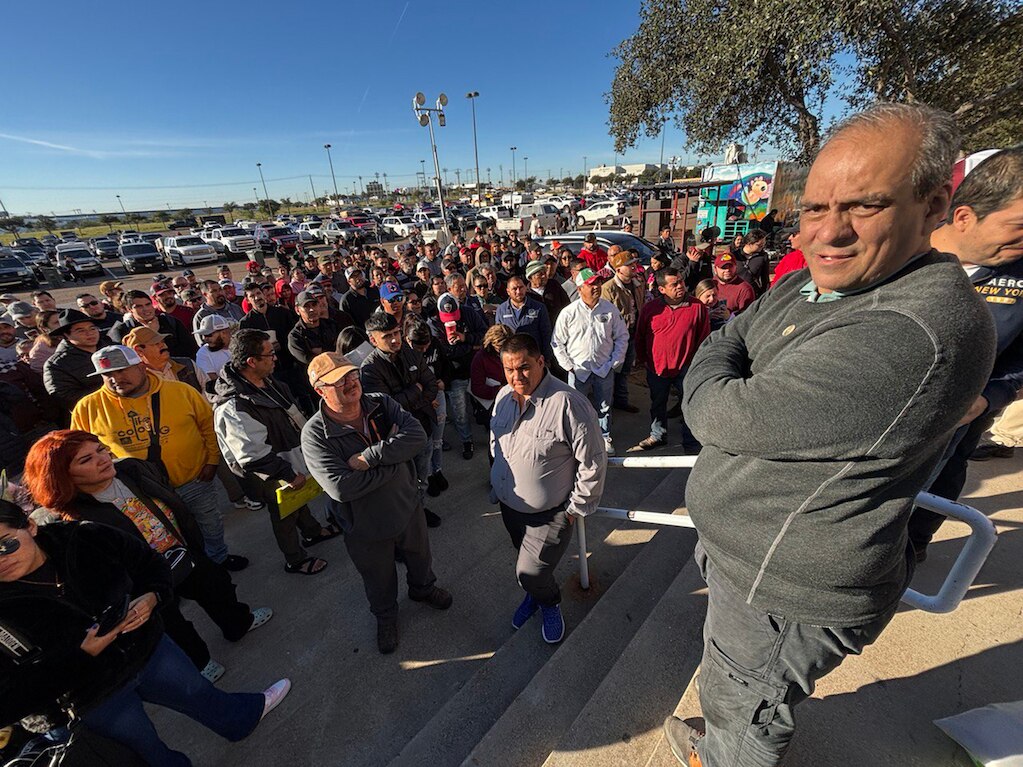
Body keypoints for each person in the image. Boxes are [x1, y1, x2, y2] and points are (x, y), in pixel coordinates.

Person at [661, 103, 996, 767]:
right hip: (749, 564)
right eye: (814, 208)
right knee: (734, 689)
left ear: (933, 205)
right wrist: (727, 366)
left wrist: (724, 378)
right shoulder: (825, 282)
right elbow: (729, 337)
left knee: (748, 710)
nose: (827, 232)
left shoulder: (911, 329)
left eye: (863, 206)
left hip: (782, 591)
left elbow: (714, 411)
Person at [0, 499, 290, 767]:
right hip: (88, 697)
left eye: (6, 545)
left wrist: (153, 596)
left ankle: (242, 717)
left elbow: (149, 563)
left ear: (31, 526)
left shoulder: (83, 537)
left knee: (198, 691)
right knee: (146, 753)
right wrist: (79, 657)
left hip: (145, 648)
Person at [22, 430, 272, 682]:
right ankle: (200, 663)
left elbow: (171, 501)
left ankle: (239, 623)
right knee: (173, 624)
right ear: (60, 476)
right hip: (144, 583)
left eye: (99, 449)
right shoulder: (70, 518)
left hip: (183, 553)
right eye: (85, 460)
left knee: (217, 588)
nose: (102, 459)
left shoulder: (133, 469)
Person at [907, 146, 1023, 558]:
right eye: (1020, 225)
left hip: (958, 421)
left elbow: (1019, 361)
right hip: (871, 419)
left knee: (940, 482)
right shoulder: (895, 254)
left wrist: (989, 398)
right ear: (963, 216)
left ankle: (914, 545)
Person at [301, 352, 453, 654]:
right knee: (378, 577)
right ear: (320, 390)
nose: (350, 382)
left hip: (407, 506)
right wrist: (395, 459)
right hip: (364, 525)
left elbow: (418, 436)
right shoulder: (315, 435)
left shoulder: (381, 404)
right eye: (338, 381)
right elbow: (341, 487)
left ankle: (422, 590)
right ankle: (386, 617)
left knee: (420, 558)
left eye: (351, 374)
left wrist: (369, 458)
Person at [70, 346, 247, 572]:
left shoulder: (181, 391)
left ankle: (218, 560)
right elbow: (78, 450)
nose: (115, 379)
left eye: (122, 370)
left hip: (193, 480)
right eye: (107, 375)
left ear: (142, 367)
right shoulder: (87, 408)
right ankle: (181, 570)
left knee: (210, 523)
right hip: (141, 492)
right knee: (161, 535)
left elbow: (209, 427)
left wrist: (212, 461)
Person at [490, 333, 607, 644]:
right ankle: (537, 595)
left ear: (541, 361)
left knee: (532, 572)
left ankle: (550, 602)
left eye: (525, 367)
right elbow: (496, 444)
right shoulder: (503, 397)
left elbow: (593, 461)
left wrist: (574, 510)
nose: (517, 377)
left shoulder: (568, 403)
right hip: (510, 507)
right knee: (526, 565)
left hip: (551, 515)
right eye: (509, 369)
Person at [211, 329, 338, 575]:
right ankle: (295, 559)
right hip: (270, 472)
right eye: (269, 354)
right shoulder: (235, 406)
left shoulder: (267, 383)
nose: (275, 358)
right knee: (284, 513)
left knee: (297, 501)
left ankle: (312, 532)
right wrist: (288, 475)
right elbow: (253, 457)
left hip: (289, 460)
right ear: (251, 362)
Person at [360, 311, 443, 527]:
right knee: (399, 484)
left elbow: (431, 385)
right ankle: (404, 521)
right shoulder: (369, 369)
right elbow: (385, 407)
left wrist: (411, 398)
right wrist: (416, 391)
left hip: (422, 428)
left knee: (421, 478)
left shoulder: (412, 353)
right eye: (387, 336)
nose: (395, 339)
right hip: (394, 437)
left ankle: (419, 511)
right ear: (373, 339)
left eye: (396, 332)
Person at [631, 268, 710, 453]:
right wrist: (645, 361)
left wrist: (695, 364)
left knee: (689, 404)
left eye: (681, 281)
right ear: (662, 289)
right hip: (657, 368)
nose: (680, 286)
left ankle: (691, 442)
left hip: (686, 368)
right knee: (658, 403)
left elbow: (703, 338)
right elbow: (640, 336)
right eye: (674, 284)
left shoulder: (697, 307)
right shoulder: (651, 309)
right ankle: (658, 435)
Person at [552, 268, 628, 455]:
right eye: (591, 284)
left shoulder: (609, 309)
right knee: (576, 408)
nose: (596, 287)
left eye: (598, 283)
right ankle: (577, 439)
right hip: (579, 371)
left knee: (604, 406)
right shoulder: (568, 313)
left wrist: (614, 362)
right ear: (579, 289)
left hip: (604, 369)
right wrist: (569, 366)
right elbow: (557, 342)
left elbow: (622, 337)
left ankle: (604, 437)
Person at [428, 279, 489, 460]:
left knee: (486, 404)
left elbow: (485, 335)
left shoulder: (469, 313)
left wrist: (465, 338)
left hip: (476, 369)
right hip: (454, 375)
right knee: (460, 412)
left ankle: (492, 431)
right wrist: (471, 347)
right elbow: (444, 351)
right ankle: (466, 441)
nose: (451, 321)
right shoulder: (433, 323)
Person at [406, 317, 449, 498]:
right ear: (409, 341)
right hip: (421, 404)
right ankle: (428, 475)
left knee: (438, 438)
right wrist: (426, 398)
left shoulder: (435, 344)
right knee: (427, 442)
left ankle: (437, 469)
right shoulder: (404, 355)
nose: (424, 350)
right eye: (419, 347)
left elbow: (445, 365)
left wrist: (444, 381)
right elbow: (409, 386)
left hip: (437, 394)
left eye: (427, 345)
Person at [601, 249, 646, 413]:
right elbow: (604, 318)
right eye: (629, 265)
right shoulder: (608, 289)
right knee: (612, 372)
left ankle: (621, 400)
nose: (634, 267)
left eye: (634, 263)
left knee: (625, 371)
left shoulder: (639, 284)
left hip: (632, 335)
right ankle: (607, 405)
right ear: (618, 269)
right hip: (615, 339)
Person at [42, 309, 107, 413]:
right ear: (66, 335)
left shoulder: (112, 348)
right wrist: (109, 392)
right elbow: (66, 397)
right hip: (95, 412)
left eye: (92, 328)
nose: (89, 333)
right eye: (81, 331)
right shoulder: (57, 365)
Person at [111, 290, 197, 359]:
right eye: (139, 306)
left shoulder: (170, 321)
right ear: (129, 309)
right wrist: (150, 333)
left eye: (148, 304)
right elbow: (127, 359)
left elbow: (190, 349)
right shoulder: (121, 331)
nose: (146, 309)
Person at [123, 326, 203, 392]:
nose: (164, 345)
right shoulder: (138, 380)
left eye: (163, 341)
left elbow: (208, 391)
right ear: (139, 350)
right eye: (156, 343)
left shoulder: (187, 364)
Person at [495, 274, 553, 358]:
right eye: (514, 289)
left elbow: (547, 334)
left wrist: (547, 357)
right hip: (511, 357)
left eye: (521, 287)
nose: (518, 291)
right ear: (508, 291)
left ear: (525, 288)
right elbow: (498, 336)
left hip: (533, 357)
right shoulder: (501, 310)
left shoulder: (539, 307)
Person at [470, 323, 514, 427]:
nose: (503, 351)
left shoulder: (515, 353)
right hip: (492, 405)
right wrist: (499, 390)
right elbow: (476, 388)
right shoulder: (480, 358)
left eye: (506, 347)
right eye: (500, 347)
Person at [288, 290, 342, 366]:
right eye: (306, 306)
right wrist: (331, 350)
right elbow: (309, 361)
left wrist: (321, 351)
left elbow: (342, 349)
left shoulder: (331, 325)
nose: (312, 310)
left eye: (314, 305)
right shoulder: (295, 337)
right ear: (297, 310)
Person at [526, 257, 571, 325]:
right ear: (530, 278)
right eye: (540, 274)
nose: (544, 276)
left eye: (544, 272)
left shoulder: (554, 285)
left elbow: (567, 305)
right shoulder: (527, 294)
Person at [195, 315, 234, 383]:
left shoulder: (241, 345)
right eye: (203, 335)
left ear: (223, 333)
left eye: (208, 335)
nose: (204, 339)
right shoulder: (203, 352)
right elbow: (214, 382)